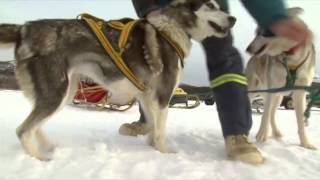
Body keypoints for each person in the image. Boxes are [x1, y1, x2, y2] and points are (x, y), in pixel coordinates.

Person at [119, 0, 312, 165]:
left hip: (210, 6)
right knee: (153, 60)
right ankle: (148, 121)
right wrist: (148, 6)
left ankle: (236, 134)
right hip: (167, 7)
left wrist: (274, 16)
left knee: (224, 57)